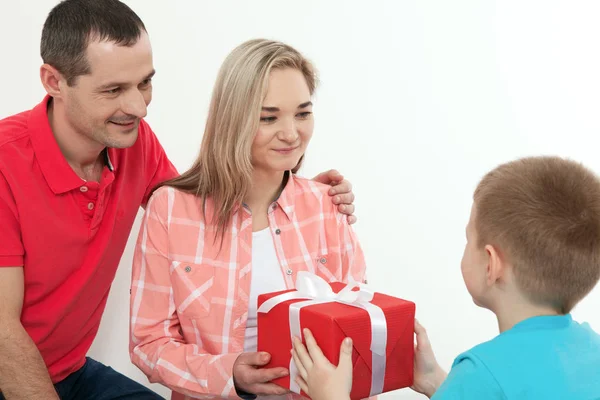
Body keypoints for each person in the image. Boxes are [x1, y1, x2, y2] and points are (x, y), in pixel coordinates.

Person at [0, 1, 358, 399]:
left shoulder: (132, 143)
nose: (138, 107)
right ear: (53, 80)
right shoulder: (5, 162)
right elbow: (1, 331)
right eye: (114, 90)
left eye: (145, 83)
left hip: (69, 371)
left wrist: (303, 193)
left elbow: (199, 206)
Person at [129, 39, 367, 400]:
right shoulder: (171, 209)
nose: (291, 133)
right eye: (268, 117)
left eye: (302, 113)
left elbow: (356, 331)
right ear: (233, 119)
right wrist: (229, 375)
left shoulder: (327, 205)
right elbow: (149, 342)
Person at [291, 156, 600, 400]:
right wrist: (435, 381)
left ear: (491, 264)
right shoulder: (592, 349)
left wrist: (332, 395)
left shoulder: (481, 374)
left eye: (470, 239)